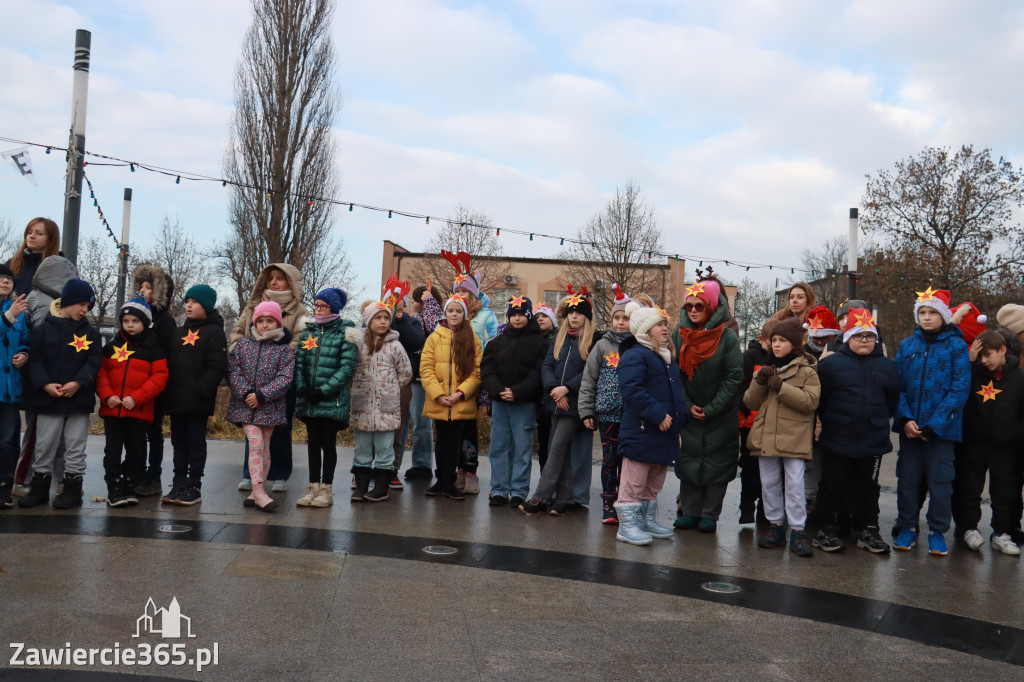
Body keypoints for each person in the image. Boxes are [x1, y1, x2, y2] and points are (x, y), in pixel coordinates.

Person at [814, 309, 900, 555]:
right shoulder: (830, 366)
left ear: (876, 338)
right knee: (831, 484)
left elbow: (892, 401)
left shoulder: (888, 367)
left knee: (868, 487)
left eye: (869, 336)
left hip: (872, 440)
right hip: (836, 438)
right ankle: (825, 528)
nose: (864, 340)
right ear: (848, 337)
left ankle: (868, 529)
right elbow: (821, 400)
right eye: (858, 335)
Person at [892, 288, 970, 556]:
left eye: (932, 312)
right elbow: (897, 386)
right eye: (922, 312)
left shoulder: (956, 346)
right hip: (910, 431)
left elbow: (959, 388)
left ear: (944, 315)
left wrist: (935, 425)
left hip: (942, 432)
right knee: (908, 481)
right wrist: (905, 419)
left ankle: (937, 531)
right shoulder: (907, 345)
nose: (926, 318)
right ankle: (907, 527)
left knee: (941, 484)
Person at [18, 278, 102, 509]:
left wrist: (78, 382)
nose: (84, 309)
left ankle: (72, 490)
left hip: (78, 401)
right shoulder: (43, 330)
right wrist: (45, 385)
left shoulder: (92, 334)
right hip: (48, 400)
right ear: (67, 302)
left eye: (88, 306)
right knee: (44, 445)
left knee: (75, 446)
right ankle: (40, 489)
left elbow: (93, 362)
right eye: (81, 304)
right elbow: (35, 361)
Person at [744, 316, 821, 558]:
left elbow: (810, 402)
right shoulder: (767, 369)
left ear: (795, 344)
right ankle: (775, 525)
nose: (776, 345)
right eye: (774, 340)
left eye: (783, 340)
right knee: (769, 485)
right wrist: (760, 381)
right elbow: (749, 401)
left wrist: (781, 387)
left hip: (794, 438)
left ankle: (798, 530)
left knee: (795, 486)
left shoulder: (807, 371)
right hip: (767, 436)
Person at [232, 264, 311, 494]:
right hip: (250, 376)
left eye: (280, 278)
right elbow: (238, 332)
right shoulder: (252, 307)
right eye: (271, 278)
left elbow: (300, 339)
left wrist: (277, 355)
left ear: (291, 283)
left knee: (279, 428)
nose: (274, 282)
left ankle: (279, 473)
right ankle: (251, 474)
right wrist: (241, 351)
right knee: (252, 428)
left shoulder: (300, 312)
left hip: (280, 380)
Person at [520, 287, 599, 515]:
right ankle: (565, 498)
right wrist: (554, 389)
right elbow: (547, 366)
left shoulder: (594, 340)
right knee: (560, 450)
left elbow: (589, 371)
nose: (574, 317)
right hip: (555, 401)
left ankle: (540, 497)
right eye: (571, 312)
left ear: (587, 316)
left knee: (555, 449)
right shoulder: (559, 339)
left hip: (576, 403)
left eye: (579, 313)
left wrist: (567, 389)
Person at [672, 276, 742, 533]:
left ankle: (710, 514)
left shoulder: (727, 338)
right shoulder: (678, 335)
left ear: (711, 307)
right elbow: (674, 374)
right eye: (689, 305)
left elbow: (734, 376)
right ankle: (690, 511)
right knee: (689, 459)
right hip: (689, 411)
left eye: (699, 306)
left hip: (720, 414)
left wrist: (712, 408)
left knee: (717, 462)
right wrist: (687, 404)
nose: (692, 310)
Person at [613, 303, 685, 545]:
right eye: (659, 325)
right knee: (633, 482)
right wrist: (657, 415)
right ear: (645, 330)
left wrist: (677, 427)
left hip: (664, 432)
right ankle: (627, 525)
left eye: (665, 324)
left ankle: (647, 520)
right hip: (642, 430)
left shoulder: (665, 358)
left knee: (653, 482)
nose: (665, 328)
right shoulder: (635, 355)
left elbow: (675, 396)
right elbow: (632, 391)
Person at [96, 294, 169, 507]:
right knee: (113, 451)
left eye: (135, 321)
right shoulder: (111, 347)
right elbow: (101, 374)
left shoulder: (154, 349)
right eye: (126, 321)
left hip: (138, 410)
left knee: (136, 450)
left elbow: (159, 377)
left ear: (144, 323)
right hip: (113, 411)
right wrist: (107, 396)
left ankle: (130, 485)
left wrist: (136, 398)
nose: (130, 325)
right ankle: (114, 488)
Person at [11, 254, 76, 496]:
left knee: (62, 436)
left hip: (64, 376)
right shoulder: (33, 298)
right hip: (40, 374)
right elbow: (25, 336)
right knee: (38, 430)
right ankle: (24, 479)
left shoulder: (72, 303)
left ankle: (60, 480)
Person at [955, 330, 1024, 555]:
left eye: (989, 355)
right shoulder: (974, 373)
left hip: (1006, 447)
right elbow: (958, 387)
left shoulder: (1019, 378)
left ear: (1003, 351)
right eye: (981, 355)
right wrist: (970, 361)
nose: (985, 360)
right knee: (970, 488)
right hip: (974, 444)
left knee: (1003, 491)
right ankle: (969, 529)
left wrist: (1016, 435)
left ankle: (1002, 533)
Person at [160, 284, 228, 506]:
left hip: (197, 401)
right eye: (187, 301)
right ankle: (178, 482)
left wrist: (201, 390)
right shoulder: (179, 332)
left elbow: (217, 366)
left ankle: (194, 485)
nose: (189, 305)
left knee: (195, 443)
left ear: (206, 306)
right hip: (176, 399)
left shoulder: (215, 332)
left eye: (195, 301)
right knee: (178, 443)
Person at [227, 301, 295, 512]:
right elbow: (233, 371)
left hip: (269, 406)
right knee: (255, 444)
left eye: (270, 320)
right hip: (246, 405)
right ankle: (259, 493)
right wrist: (247, 393)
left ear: (278, 323)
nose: (265, 325)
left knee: (265, 448)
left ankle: (258, 488)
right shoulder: (243, 346)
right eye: (261, 321)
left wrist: (262, 395)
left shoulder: (284, 350)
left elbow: (285, 378)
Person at [293, 288, 359, 508]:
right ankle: (312, 484)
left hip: (331, 400)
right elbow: (299, 362)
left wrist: (323, 391)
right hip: (309, 399)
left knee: (328, 443)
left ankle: (326, 489)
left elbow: (346, 368)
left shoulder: (345, 333)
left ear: (334, 308)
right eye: (317, 305)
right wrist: (303, 388)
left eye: (323, 306)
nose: (318, 309)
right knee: (312, 443)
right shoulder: (307, 333)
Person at [480, 295, 547, 508]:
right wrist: (498, 391)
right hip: (500, 403)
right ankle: (499, 490)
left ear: (528, 316)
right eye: (513, 315)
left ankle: (518, 491)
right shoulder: (496, 343)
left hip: (524, 404)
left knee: (522, 449)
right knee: (498, 448)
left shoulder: (540, 344)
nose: (517, 319)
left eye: (521, 314)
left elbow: (538, 373)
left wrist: (517, 392)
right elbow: (487, 369)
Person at [443, 251, 497, 496]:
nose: (460, 295)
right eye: (457, 290)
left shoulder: (486, 316)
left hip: (474, 377)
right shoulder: (452, 314)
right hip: (450, 377)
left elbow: (493, 345)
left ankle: (470, 469)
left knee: (469, 426)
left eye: (465, 291)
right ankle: (457, 469)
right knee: (453, 427)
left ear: (473, 293)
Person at [349, 299, 413, 503]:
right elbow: (349, 368)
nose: (383, 322)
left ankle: (381, 487)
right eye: (378, 318)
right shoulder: (358, 344)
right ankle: (361, 486)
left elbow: (406, 372)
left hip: (387, 407)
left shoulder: (395, 345)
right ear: (368, 321)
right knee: (362, 447)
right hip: (363, 405)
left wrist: (391, 389)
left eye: (386, 318)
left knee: (385, 447)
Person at [579, 284, 633, 524]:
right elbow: (588, 379)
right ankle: (608, 503)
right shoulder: (601, 345)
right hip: (608, 415)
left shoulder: (640, 346)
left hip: (632, 416)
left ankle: (626, 502)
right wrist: (586, 411)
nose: (621, 323)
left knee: (629, 462)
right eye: (617, 318)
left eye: (626, 318)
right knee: (609, 460)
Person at [420, 293, 482, 500]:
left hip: (459, 401)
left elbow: (476, 371)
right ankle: (440, 481)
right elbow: (426, 369)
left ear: (464, 314)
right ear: (445, 313)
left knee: (455, 441)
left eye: (458, 311)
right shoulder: (434, 338)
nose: (454, 315)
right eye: (450, 311)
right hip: (440, 400)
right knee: (441, 441)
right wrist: (438, 395)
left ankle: (450, 481)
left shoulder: (472, 339)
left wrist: (460, 394)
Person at [130, 262, 177, 497]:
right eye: (141, 286)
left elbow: (168, 356)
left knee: (153, 431)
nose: (144, 291)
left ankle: (154, 474)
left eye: (149, 287)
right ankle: (135, 471)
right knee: (135, 432)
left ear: (159, 292)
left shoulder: (165, 321)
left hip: (155, 387)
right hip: (132, 385)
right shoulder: (132, 315)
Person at [382, 277, 421, 490]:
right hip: (377, 382)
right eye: (390, 299)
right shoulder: (375, 318)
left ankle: (392, 469)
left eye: (399, 300)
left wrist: (401, 319)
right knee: (372, 427)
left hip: (403, 383)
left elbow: (417, 343)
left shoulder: (412, 321)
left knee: (398, 428)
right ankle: (365, 468)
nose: (395, 303)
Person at [801, 305, 840, 518]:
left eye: (825, 338)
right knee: (810, 464)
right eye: (817, 338)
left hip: (832, 417)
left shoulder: (839, 355)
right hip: (808, 419)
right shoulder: (801, 355)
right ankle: (810, 501)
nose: (819, 342)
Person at [402, 284, 444, 481]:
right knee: (401, 423)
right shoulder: (410, 319)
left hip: (421, 375)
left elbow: (434, 323)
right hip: (404, 374)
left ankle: (422, 464)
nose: (414, 303)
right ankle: (390, 466)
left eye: (418, 299)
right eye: (415, 299)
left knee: (421, 422)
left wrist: (430, 302)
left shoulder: (434, 318)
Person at [737, 320, 771, 524]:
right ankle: (747, 506)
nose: (775, 345)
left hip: (772, 426)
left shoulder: (782, 360)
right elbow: (741, 386)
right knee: (749, 468)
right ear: (762, 339)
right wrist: (747, 408)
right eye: (771, 340)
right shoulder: (750, 356)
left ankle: (765, 512)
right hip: (750, 423)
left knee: (769, 472)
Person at [0, 265, 28, 508]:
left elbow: (25, 341)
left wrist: (24, 355)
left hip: (9, 389)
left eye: (9, 278)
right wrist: (8, 319)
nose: (5, 281)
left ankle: (4, 486)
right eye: (0, 278)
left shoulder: (17, 309)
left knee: (8, 440)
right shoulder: (12, 312)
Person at [532, 304, 559, 471]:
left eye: (544, 316)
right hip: (537, 398)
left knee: (553, 443)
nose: (540, 319)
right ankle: (544, 481)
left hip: (553, 396)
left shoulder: (558, 339)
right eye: (536, 317)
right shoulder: (532, 340)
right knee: (543, 443)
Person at [6, 217, 60, 297]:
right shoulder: (11, 263)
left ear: (50, 239)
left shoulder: (59, 267)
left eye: (39, 234)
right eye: (29, 232)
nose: (32, 236)